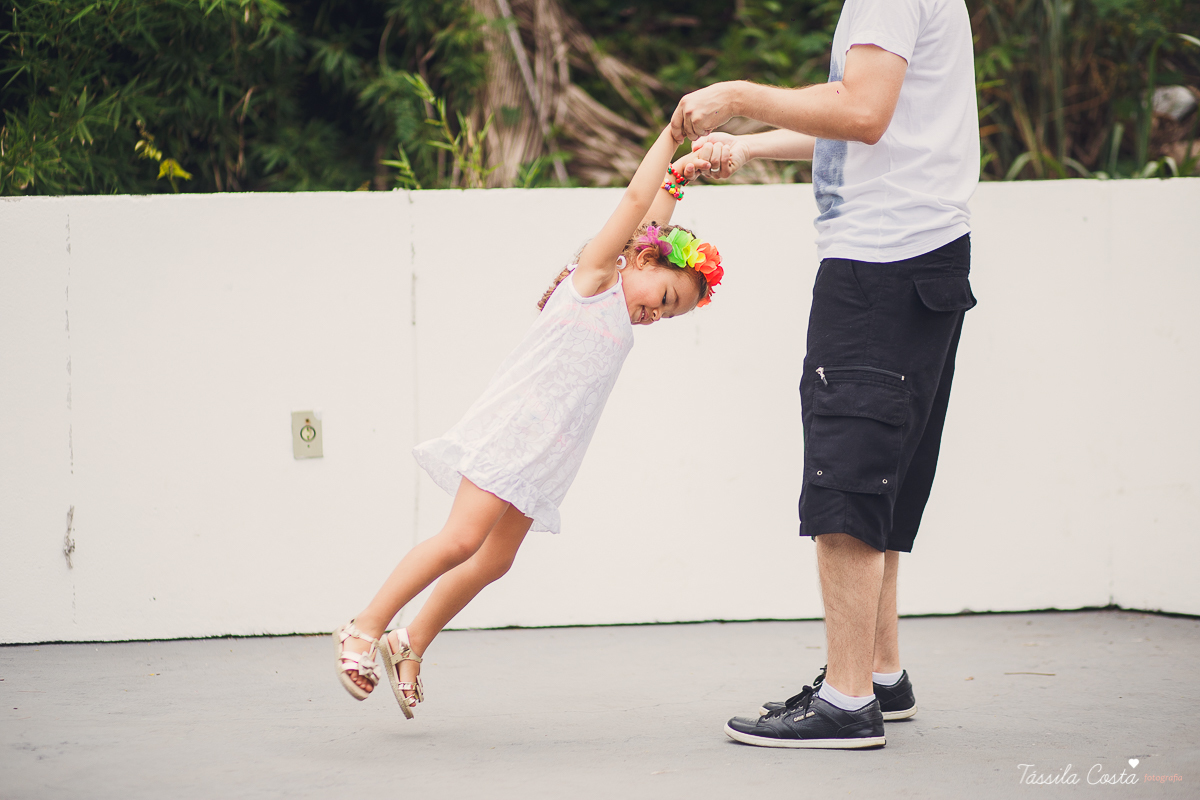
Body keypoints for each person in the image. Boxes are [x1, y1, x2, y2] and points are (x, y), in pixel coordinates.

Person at [332, 127, 725, 717]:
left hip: (545, 453)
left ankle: (408, 642)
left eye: (670, 316)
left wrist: (680, 180)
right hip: (513, 432)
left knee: (494, 559)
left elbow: (657, 220)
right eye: (665, 299)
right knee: (460, 540)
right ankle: (365, 626)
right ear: (641, 259)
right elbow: (633, 207)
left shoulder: (632, 287)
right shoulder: (595, 279)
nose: (657, 314)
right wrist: (671, 137)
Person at [671, 0, 979, 749]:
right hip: (920, 258)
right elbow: (863, 131)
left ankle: (846, 704)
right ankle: (878, 674)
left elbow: (862, 111)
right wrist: (748, 149)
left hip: (881, 266)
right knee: (884, 475)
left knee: (847, 474)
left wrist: (738, 96)